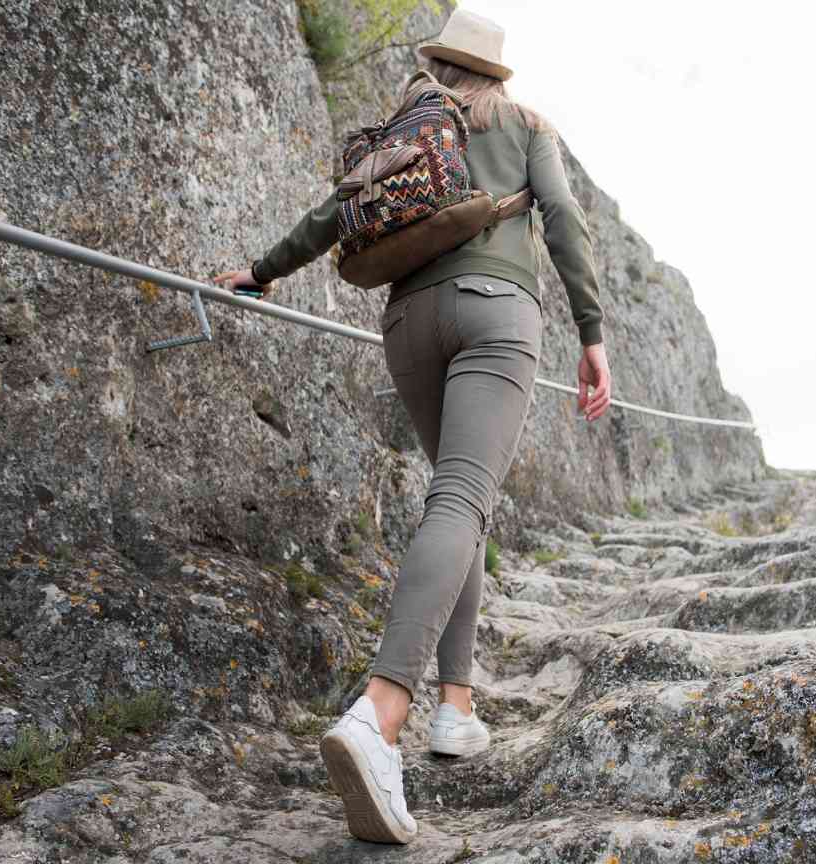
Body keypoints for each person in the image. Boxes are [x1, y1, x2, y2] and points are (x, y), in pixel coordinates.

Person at [214, 8, 611, 845]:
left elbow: (336, 212)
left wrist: (261, 270)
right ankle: (383, 712)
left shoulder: (412, 118)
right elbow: (566, 221)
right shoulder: (527, 124)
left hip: (409, 324)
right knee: (464, 498)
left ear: (441, 63)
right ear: (497, 75)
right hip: (499, 315)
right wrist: (592, 334)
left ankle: (456, 708)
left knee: (458, 503)